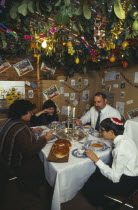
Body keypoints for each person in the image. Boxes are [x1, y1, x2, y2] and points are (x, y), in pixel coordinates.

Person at [82, 118, 138, 209]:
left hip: (128, 183)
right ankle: (104, 198)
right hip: (131, 175)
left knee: (88, 187)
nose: (101, 133)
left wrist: (96, 159)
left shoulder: (120, 149)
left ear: (111, 132)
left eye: (103, 130)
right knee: (95, 173)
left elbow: (115, 178)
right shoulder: (126, 138)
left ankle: (104, 205)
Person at [0, 99, 53, 193]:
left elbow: (17, 131)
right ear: (22, 113)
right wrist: (45, 138)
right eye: (30, 112)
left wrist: (31, 130)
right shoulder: (21, 128)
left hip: (3, 159)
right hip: (13, 164)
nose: (32, 114)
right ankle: (36, 186)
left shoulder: (9, 121)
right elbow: (30, 151)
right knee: (45, 163)